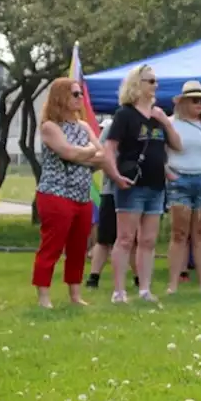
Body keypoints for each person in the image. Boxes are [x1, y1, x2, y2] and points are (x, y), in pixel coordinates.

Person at [101, 64, 181, 305]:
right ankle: (119, 291)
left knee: (148, 240)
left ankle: (144, 289)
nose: (155, 85)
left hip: (156, 184)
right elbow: (110, 148)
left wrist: (165, 122)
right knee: (125, 238)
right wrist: (114, 176)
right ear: (137, 83)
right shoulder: (124, 114)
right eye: (150, 81)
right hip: (132, 183)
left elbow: (177, 145)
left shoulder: (159, 115)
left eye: (156, 81)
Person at [32, 78, 102, 308]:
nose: (80, 98)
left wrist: (84, 154)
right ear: (61, 96)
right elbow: (67, 152)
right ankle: (43, 296)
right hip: (56, 194)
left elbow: (101, 156)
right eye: (75, 94)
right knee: (51, 246)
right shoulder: (50, 126)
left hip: (82, 196)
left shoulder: (84, 126)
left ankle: (75, 295)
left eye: (80, 94)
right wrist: (88, 152)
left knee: (78, 248)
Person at [164, 81, 201, 294]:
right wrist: (168, 173)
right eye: (195, 100)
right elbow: (160, 151)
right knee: (179, 233)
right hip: (178, 179)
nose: (199, 103)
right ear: (183, 102)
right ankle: (173, 284)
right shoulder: (170, 123)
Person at [86, 116, 136, 290]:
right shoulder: (113, 127)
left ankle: (139, 278)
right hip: (111, 190)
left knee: (133, 238)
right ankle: (93, 277)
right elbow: (100, 155)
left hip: (137, 190)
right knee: (105, 238)